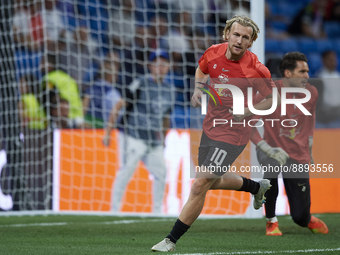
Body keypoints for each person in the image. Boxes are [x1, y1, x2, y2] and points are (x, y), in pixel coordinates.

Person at [151, 15, 279, 252]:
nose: (239, 40)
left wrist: (248, 110)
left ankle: (170, 240)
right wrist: (198, 90)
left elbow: (273, 98)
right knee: (212, 180)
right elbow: (202, 70)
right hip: (211, 126)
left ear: (251, 43)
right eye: (236, 35)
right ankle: (255, 187)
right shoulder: (213, 53)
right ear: (227, 34)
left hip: (235, 133)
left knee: (200, 184)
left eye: (245, 38)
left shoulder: (256, 69)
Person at [250, 52, 329, 236]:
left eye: (307, 71)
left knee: (300, 217)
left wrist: (309, 145)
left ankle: (306, 218)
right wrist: (264, 147)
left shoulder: (312, 93)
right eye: (302, 71)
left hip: (298, 155)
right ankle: (271, 221)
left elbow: (310, 119)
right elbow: (248, 125)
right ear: (287, 73)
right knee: (271, 165)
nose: (307, 76)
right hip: (272, 150)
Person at [103, 49, 174, 214]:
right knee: (126, 171)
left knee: (161, 173)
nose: (160, 67)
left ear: (168, 67)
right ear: (150, 66)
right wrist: (108, 132)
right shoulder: (140, 83)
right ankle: (114, 210)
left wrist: (163, 139)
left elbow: (166, 117)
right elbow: (119, 105)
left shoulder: (170, 90)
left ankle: (157, 212)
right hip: (132, 134)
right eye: (156, 63)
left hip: (152, 139)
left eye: (163, 63)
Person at [82, 51, 121, 128]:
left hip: (86, 127)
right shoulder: (113, 94)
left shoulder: (90, 88)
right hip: (102, 131)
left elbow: (83, 109)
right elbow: (117, 117)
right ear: (111, 76)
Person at [315, 50, 340, 123]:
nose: (333, 62)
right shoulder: (320, 77)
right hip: (325, 111)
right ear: (324, 60)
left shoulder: (337, 76)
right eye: (330, 60)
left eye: (334, 60)